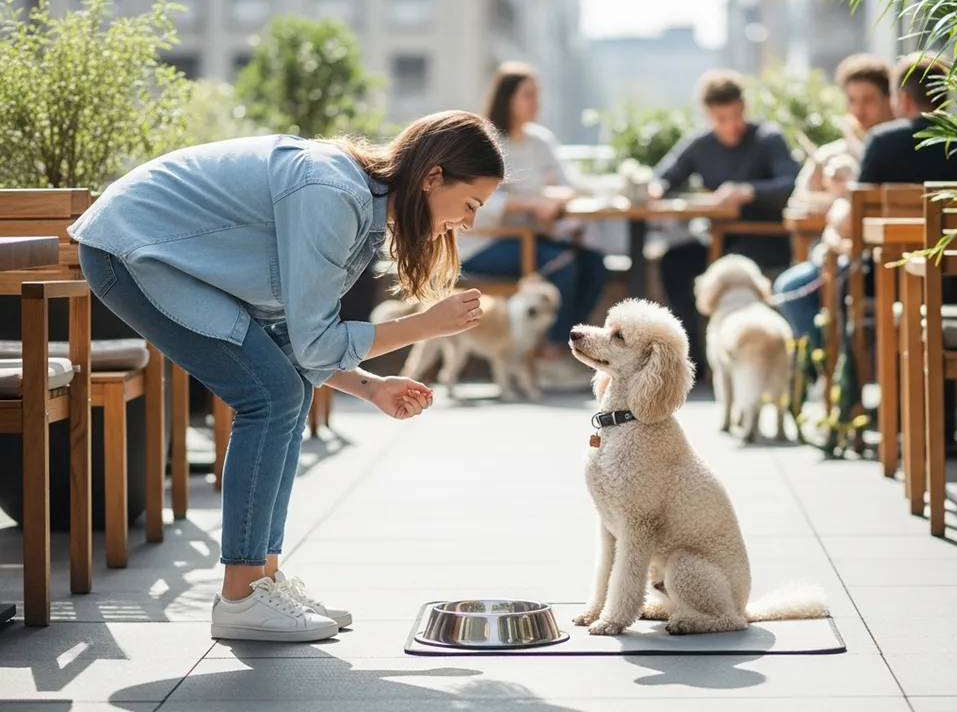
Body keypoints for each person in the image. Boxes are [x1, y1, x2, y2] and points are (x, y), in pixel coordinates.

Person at [68, 111, 505, 642]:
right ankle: (242, 596)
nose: (470, 223)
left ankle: (263, 582)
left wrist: (370, 386)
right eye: (471, 205)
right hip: (130, 248)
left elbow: (296, 336)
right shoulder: (332, 193)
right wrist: (425, 326)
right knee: (270, 397)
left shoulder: (360, 208)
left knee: (285, 389)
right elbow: (313, 341)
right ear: (432, 177)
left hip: (159, 251)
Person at [460, 61, 607, 389]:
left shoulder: (541, 141)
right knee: (563, 262)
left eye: (536, 94)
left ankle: (569, 347)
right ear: (507, 98)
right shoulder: (485, 142)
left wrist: (558, 200)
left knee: (595, 263)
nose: (535, 102)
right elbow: (481, 203)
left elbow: (572, 183)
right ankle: (548, 358)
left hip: (531, 237)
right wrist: (534, 204)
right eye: (528, 94)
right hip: (482, 243)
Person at [653, 68, 801, 375]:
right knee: (674, 261)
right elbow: (664, 177)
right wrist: (655, 190)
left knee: (727, 265)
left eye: (735, 116)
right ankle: (692, 360)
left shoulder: (767, 138)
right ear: (709, 115)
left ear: (744, 107)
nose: (731, 126)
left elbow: (790, 182)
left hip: (762, 240)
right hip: (717, 241)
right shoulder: (700, 144)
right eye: (721, 120)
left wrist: (746, 192)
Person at [774, 53, 896, 345]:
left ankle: (838, 377)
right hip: (845, 255)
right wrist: (831, 197)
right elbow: (796, 204)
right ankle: (831, 372)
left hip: (882, 259)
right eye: (852, 100)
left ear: (889, 99)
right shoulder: (833, 153)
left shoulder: (897, 148)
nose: (859, 109)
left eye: (868, 100)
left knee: (793, 288)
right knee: (790, 289)